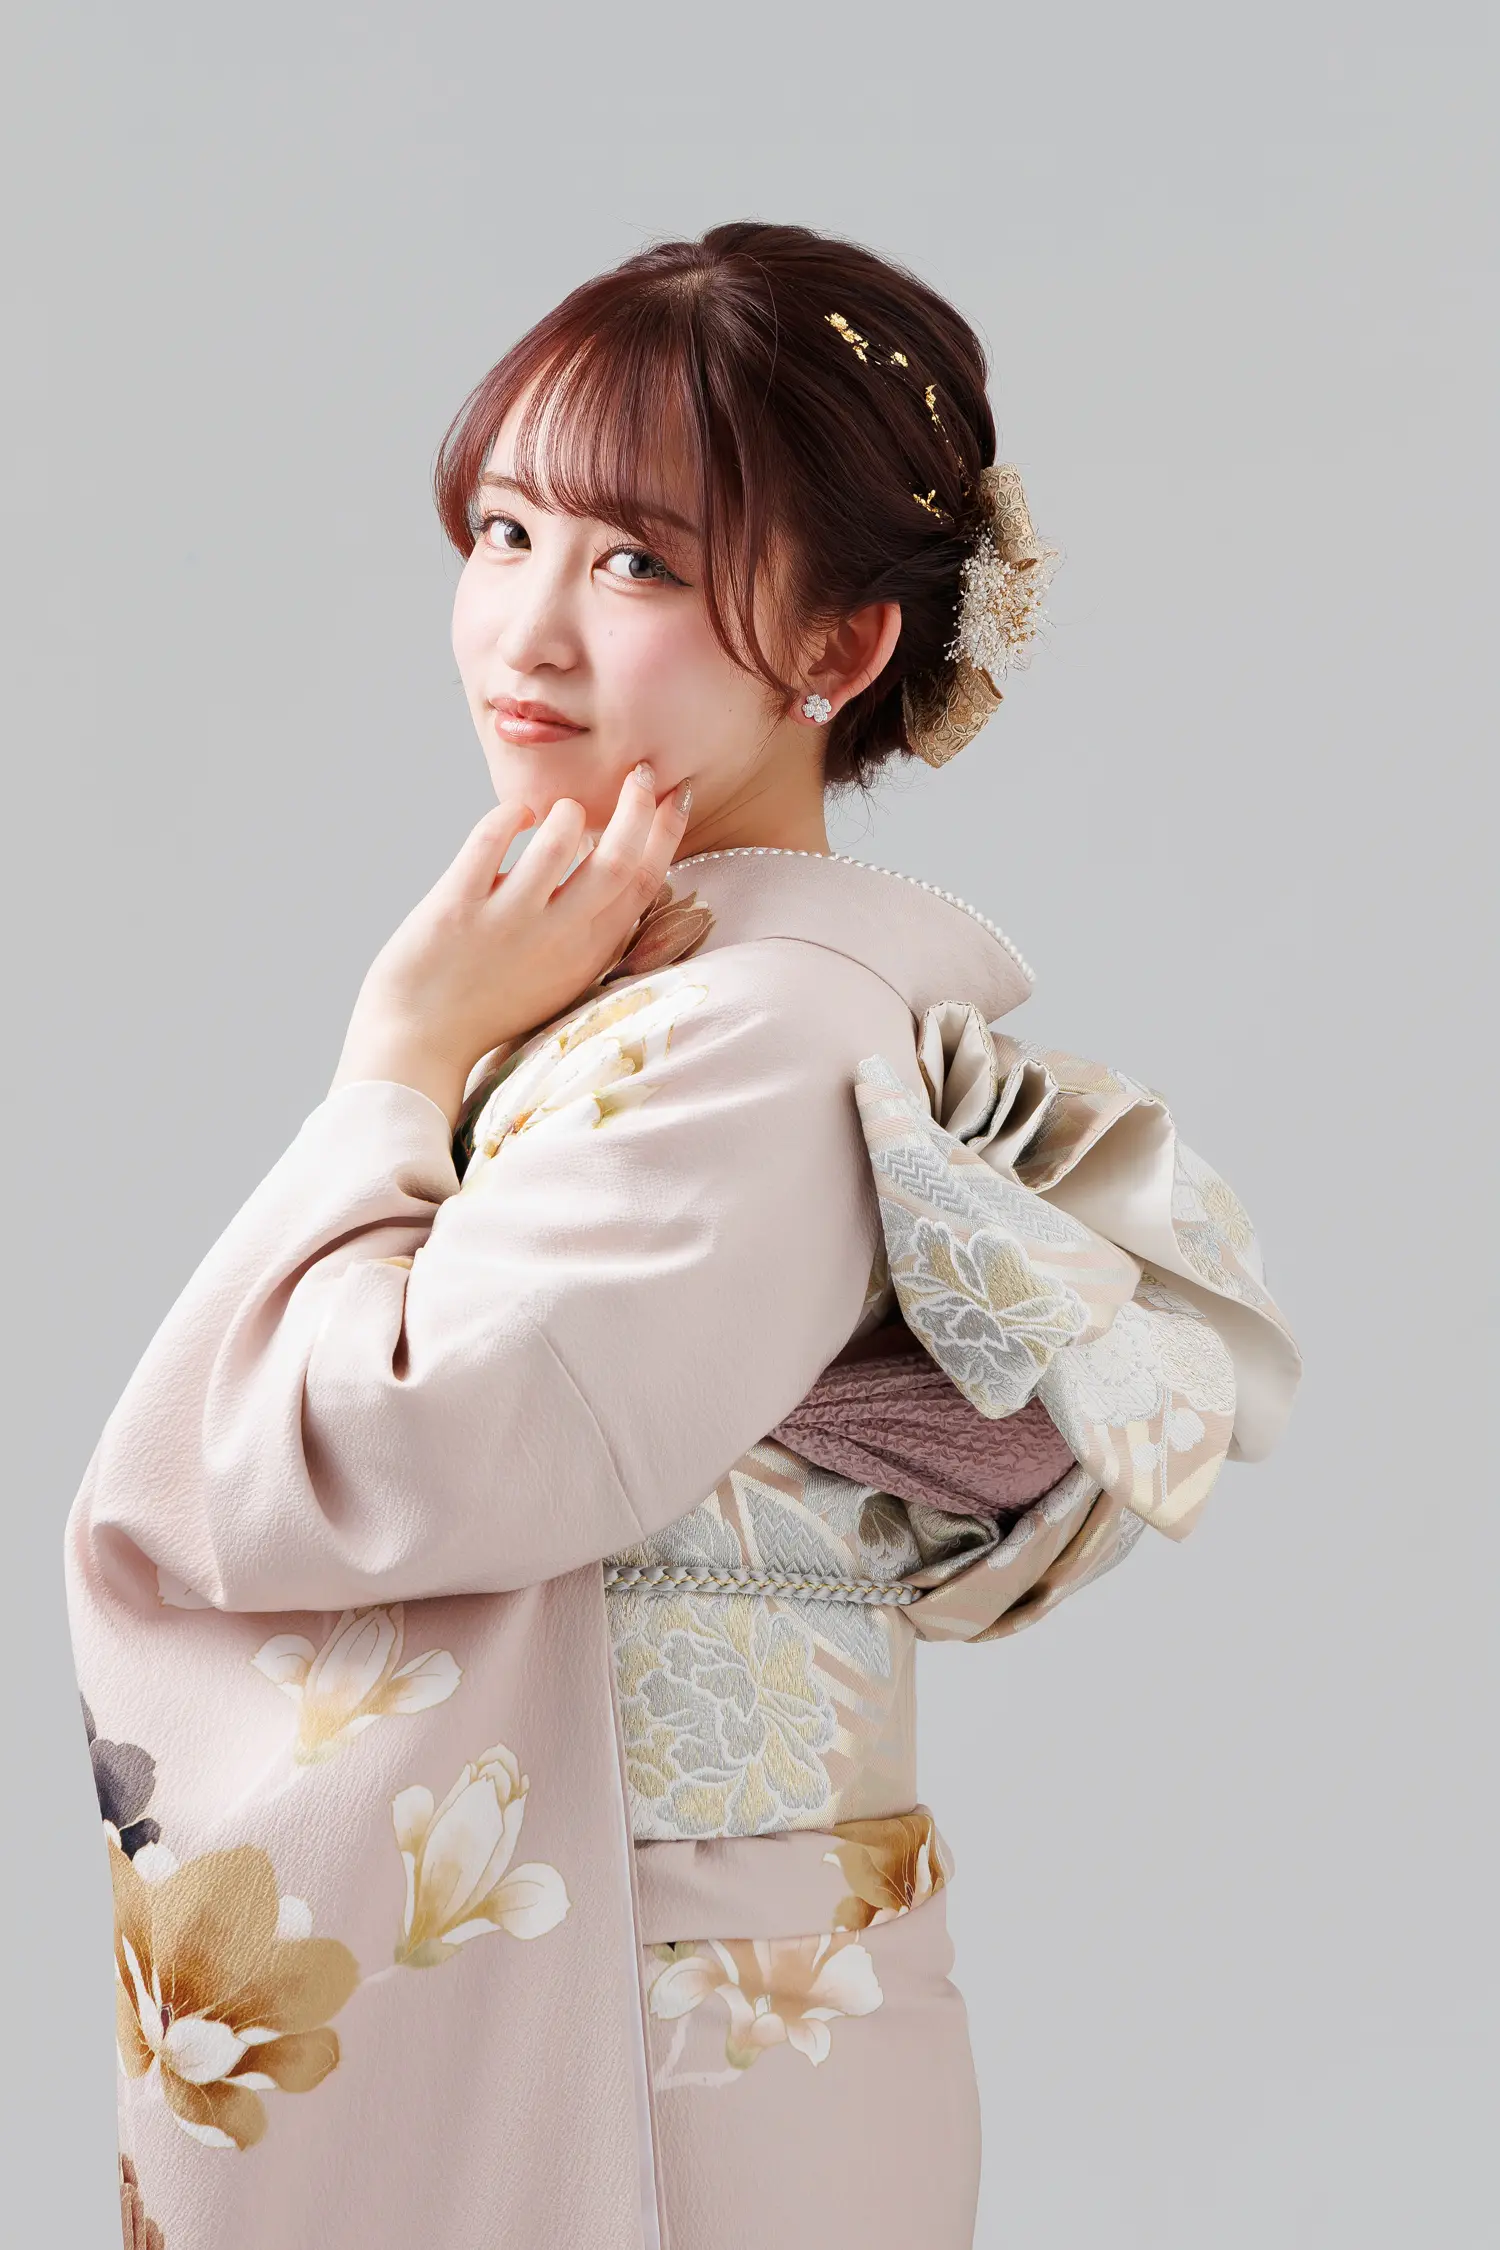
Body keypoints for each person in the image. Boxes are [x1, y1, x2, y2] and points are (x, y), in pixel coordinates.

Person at [65, 221, 1301, 2250]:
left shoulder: (761, 1026)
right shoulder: (660, 1002)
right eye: (505, 533)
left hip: (674, 2061)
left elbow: (372, 1461)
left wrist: (395, 1061)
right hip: (672, 2006)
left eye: (637, 563)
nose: (528, 629)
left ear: (839, 650)